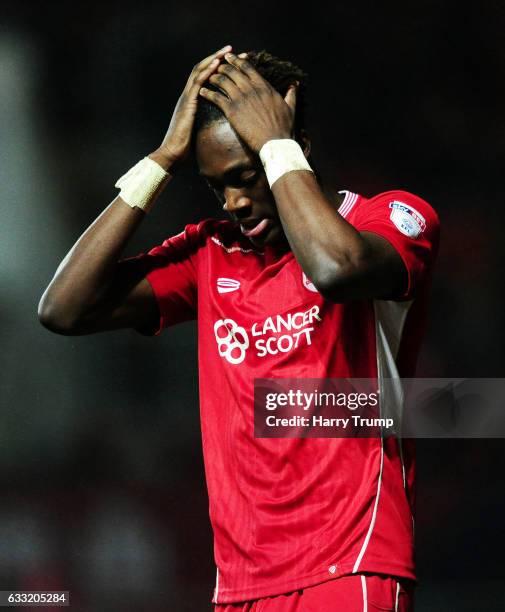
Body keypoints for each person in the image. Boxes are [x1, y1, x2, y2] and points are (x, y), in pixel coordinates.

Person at [39, 45, 439, 611]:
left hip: (350, 565)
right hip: (240, 586)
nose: (234, 202)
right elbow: (63, 309)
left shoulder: (389, 219)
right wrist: (161, 160)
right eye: (215, 185)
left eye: (247, 177)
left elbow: (334, 269)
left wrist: (277, 146)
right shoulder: (210, 254)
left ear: (296, 148)